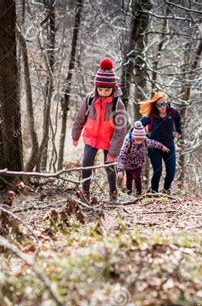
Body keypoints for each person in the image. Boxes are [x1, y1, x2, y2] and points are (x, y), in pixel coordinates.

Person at [71, 58, 127, 203]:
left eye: (107, 90)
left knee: (109, 167)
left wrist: (114, 152)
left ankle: (113, 194)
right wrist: (75, 134)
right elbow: (80, 118)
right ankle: (85, 192)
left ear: (113, 88)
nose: (103, 92)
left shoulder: (117, 104)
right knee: (86, 163)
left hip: (109, 141)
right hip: (91, 138)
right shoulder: (89, 99)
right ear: (96, 87)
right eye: (100, 89)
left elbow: (120, 131)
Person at [138, 91, 182, 194]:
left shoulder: (173, 112)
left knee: (171, 172)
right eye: (160, 104)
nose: (163, 106)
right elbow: (139, 124)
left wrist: (178, 130)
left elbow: (178, 119)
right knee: (157, 171)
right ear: (155, 105)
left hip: (169, 146)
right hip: (154, 148)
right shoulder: (151, 115)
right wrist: (141, 134)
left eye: (164, 103)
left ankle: (166, 192)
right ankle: (154, 193)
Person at [116, 121, 170, 196]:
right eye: (137, 139)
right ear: (134, 137)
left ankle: (138, 195)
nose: (139, 141)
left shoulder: (145, 140)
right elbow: (122, 155)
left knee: (137, 177)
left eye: (141, 139)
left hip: (138, 162)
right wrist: (119, 169)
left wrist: (161, 146)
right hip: (127, 162)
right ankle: (128, 194)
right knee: (129, 179)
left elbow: (152, 143)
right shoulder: (128, 140)